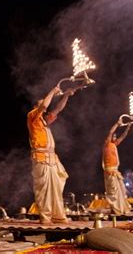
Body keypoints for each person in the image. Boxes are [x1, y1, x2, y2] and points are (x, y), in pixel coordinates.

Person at [27, 85, 75, 224]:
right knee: (44, 189)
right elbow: (43, 106)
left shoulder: (44, 121)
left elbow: (58, 109)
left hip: (52, 158)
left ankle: (57, 215)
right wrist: (53, 92)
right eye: (42, 103)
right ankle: (45, 216)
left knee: (56, 187)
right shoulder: (32, 116)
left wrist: (66, 95)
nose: (45, 107)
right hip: (41, 158)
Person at [102, 119, 133, 215]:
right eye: (114, 136)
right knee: (112, 191)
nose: (115, 137)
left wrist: (128, 127)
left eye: (115, 136)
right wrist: (117, 124)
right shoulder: (107, 144)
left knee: (121, 190)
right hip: (109, 171)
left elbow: (123, 136)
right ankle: (114, 209)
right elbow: (110, 132)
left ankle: (119, 208)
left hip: (115, 170)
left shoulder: (114, 145)